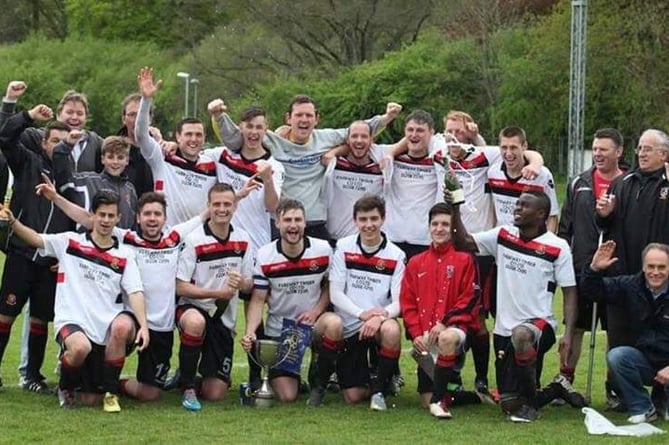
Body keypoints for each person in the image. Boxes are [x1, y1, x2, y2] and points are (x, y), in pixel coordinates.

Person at [37, 180, 206, 402]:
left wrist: (239, 195)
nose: (152, 218)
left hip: (160, 326)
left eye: (157, 214)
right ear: (137, 217)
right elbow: (89, 219)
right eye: (147, 214)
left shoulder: (173, 239)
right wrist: (55, 197)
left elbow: (205, 215)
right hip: (129, 320)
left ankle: (114, 384)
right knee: (120, 327)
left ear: (165, 218)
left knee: (151, 394)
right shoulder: (127, 238)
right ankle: (107, 390)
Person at [0, 190, 149, 412]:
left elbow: (135, 292)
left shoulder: (125, 255)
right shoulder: (70, 242)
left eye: (111, 216)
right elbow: (36, 238)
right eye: (102, 215)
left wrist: (144, 327)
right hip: (73, 321)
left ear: (118, 219)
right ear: (93, 216)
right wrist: (13, 222)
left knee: (122, 328)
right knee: (80, 348)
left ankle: (110, 392)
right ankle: (66, 387)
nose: (106, 221)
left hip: (104, 328)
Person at [448, 189, 585, 422]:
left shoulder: (557, 246)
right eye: (517, 204)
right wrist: (455, 207)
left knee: (521, 335)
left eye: (524, 206)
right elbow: (462, 242)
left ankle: (532, 407)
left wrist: (569, 334)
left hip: (539, 325)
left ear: (542, 214)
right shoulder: (503, 234)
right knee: (509, 404)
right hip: (503, 330)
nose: (517, 208)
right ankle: (555, 389)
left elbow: (570, 292)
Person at [435, 111, 545, 397]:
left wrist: (537, 161)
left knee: (481, 318)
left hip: (482, 248)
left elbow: (522, 151)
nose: (453, 137)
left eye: (459, 132)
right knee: (453, 314)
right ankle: (452, 375)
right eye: (449, 131)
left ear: (469, 135)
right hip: (449, 248)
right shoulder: (437, 151)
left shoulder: (485, 156)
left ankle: (485, 377)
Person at [210, 95, 400, 239]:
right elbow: (236, 138)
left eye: (309, 115)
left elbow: (359, 132)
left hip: (314, 220)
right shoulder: (272, 139)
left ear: (316, 119)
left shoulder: (326, 138)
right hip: (282, 221)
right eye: (298, 115)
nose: (304, 119)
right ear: (288, 119)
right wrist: (218, 116)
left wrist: (387, 117)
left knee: (324, 278)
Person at [207, 105, 284, 389]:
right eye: (249, 126)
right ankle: (215, 369)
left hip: (259, 248)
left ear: (266, 130)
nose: (253, 132)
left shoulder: (274, 165)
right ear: (240, 128)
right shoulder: (221, 156)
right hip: (224, 245)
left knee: (256, 307)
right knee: (218, 307)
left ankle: (257, 375)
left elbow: (273, 207)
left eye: (259, 127)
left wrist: (266, 178)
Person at [0, 104, 73, 392]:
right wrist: (28, 116)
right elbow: (4, 138)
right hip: (21, 254)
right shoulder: (27, 161)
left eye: (64, 143)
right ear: (43, 143)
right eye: (54, 141)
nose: (58, 147)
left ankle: (32, 376)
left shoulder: (71, 177)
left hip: (50, 261)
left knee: (41, 319)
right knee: (6, 314)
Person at [313, 195, 405, 411]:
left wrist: (380, 317)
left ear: (383, 219)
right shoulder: (344, 247)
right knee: (352, 397)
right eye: (363, 219)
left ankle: (379, 391)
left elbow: (399, 302)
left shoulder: (396, 254)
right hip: (349, 325)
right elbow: (335, 294)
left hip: (376, 325)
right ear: (355, 221)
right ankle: (321, 384)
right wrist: (363, 314)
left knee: (392, 329)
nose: (369, 225)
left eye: (374, 218)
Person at [400, 202, 488, 418]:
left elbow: (470, 298)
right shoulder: (415, 262)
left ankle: (440, 402)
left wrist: (444, 322)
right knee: (424, 400)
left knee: (447, 338)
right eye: (435, 224)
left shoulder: (465, 259)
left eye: (445, 225)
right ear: (429, 227)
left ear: (453, 228)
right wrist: (416, 334)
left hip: (455, 330)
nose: (439, 229)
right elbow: (408, 302)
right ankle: (468, 395)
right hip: (427, 336)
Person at [241, 199, 332, 404]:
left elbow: (329, 286)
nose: (293, 225)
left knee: (334, 325)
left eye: (298, 220)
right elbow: (257, 300)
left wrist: (316, 311)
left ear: (305, 222)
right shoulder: (265, 255)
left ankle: (320, 378)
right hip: (280, 330)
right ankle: (293, 377)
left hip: (313, 324)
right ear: (277, 223)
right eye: (288, 220)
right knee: (287, 396)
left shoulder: (323, 250)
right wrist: (250, 331)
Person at [557, 128, 624, 402]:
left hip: (618, 270)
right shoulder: (578, 182)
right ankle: (565, 379)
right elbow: (566, 227)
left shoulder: (628, 183)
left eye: (604, 149)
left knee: (616, 329)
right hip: (582, 266)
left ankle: (613, 386)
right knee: (576, 326)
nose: (597, 154)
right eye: (595, 149)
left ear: (618, 152)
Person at [175, 182, 254, 411]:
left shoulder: (243, 239)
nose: (222, 209)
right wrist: (215, 293)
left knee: (216, 394)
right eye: (217, 204)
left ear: (234, 207)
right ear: (208, 206)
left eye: (227, 204)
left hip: (222, 319)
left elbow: (249, 285)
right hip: (194, 308)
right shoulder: (194, 239)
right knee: (195, 322)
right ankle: (188, 386)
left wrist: (242, 283)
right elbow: (180, 287)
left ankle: (187, 374)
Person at [595, 129, 669, 349]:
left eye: (648, 149)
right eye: (639, 149)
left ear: (664, 154)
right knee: (618, 345)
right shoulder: (622, 183)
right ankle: (616, 384)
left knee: (659, 345)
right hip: (625, 280)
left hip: (660, 282)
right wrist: (603, 214)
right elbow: (603, 227)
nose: (642, 154)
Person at [582, 241, 669, 423]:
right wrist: (594, 269)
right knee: (617, 356)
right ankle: (643, 408)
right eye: (651, 266)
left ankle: (663, 401)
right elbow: (592, 291)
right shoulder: (630, 285)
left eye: (662, 267)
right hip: (646, 360)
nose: (655, 272)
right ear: (643, 267)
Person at [136, 67, 218, 226]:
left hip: (196, 239)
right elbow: (141, 135)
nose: (194, 139)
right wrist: (146, 100)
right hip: (165, 238)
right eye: (188, 134)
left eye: (198, 135)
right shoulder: (162, 157)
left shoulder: (212, 163)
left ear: (205, 138)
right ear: (178, 136)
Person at [383, 110, 440, 260]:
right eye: (410, 130)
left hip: (424, 240)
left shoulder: (438, 162)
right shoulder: (392, 158)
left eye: (420, 130)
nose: (414, 134)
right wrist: (391, 153)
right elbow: (360, 141)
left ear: (431, 133)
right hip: (392, 238)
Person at [53, 134, 138, 229]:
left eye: (120, 158)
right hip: (88, 242)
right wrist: (66, 145)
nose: (115, 162)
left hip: (121, 243)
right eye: (110, 157)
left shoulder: (130, 189)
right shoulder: (87, 181)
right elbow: (62, 173)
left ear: (127, 161)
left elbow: (134, 225)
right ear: (102, 159)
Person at [487, 126, 559, 232]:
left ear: (524, 146)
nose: (508, 153)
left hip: (531, 243)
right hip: (503, 242)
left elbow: (552, 216)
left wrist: (546, 246)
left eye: (513, 147)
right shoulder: (493, 172)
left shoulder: (542, 174)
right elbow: (493, 210)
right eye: (504, 147)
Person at [323, 121, 384, 241]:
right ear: (347, 140)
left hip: (366, 241)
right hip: (333, 239)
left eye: (364, 136)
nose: (359, 140)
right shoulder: (334, 164)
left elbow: (404, 144)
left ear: (371, 140)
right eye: (354, 136)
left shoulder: (380, 169)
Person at [19, 90, 103, 173]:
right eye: (69, 112)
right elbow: (9, 134)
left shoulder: (95, 143)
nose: (74, 117)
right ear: (58, 115)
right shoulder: (39, 136)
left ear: (86, 118)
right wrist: (29, 115)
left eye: (80, 113)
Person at [116, 93, 156, 198]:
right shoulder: (111, 150)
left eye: (141, 114)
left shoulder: (160, 150)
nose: (137, 119)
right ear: (124, 119)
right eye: (132, 114)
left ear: (150, 119)